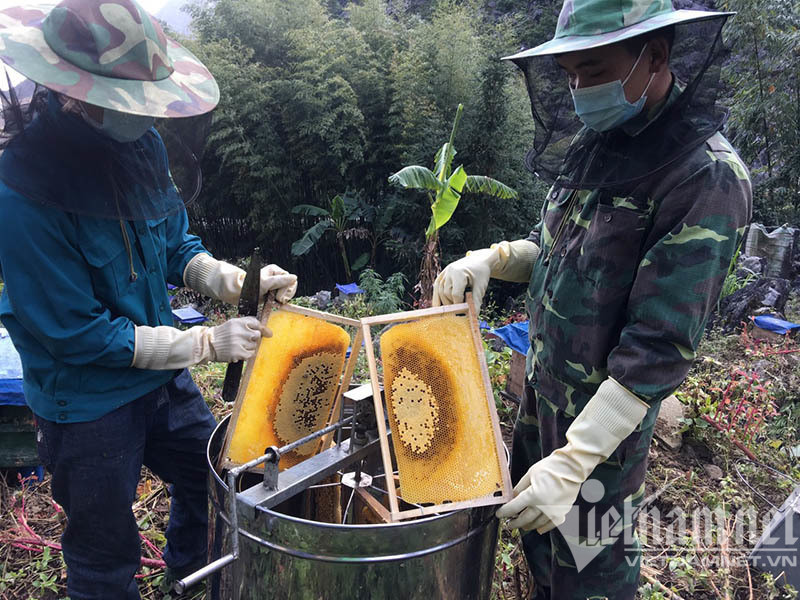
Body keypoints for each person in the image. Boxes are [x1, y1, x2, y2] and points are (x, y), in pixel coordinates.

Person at [433, 0, 752, 598]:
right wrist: (492, 259)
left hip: (602, 444)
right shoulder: (600, 141)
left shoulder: (704, 176)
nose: (579, 89)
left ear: (654, 55)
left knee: (590, 579)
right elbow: (555, 247)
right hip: (541, 402)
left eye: (594, 70)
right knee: (541, 559)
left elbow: (659, 347)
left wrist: (575, 459)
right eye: (570, 73)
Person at [0, 1, 297, 598]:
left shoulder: (142, 146)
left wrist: (229, 279)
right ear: (79, 94)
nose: (145, 115)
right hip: (87, 401)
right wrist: (204, 343)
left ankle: (190, 582)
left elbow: (173, 241)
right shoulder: (22, 189)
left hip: (163, 382)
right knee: (105, 555)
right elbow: (75, 332)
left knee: (216, 480)